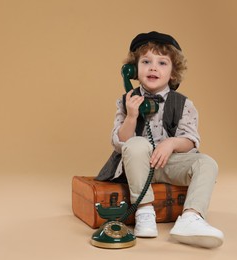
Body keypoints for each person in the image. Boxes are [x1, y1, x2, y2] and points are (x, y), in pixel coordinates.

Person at [96, 31, 224, 248]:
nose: (153, 67)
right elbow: (119, 142)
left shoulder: (184, 104)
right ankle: (145, 210)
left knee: (207, 162)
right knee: (137, 144)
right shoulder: (126, 101)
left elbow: (191, 140)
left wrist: (171, 143)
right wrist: (131, 116)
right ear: (133, 70)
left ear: (173, 73)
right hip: (135, 167)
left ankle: (191, 218)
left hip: (168, 164)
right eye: (146, 61)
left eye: (162, 63)